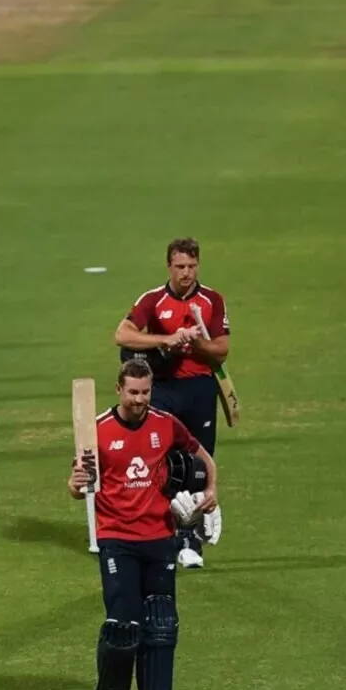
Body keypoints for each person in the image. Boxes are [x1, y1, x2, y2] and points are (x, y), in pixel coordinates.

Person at [68, 358, 218, 690]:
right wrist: (74, 482)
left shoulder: (164, 424)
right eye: (132, 392)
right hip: (116, 536)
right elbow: (77, 486)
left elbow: (202, 456)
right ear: (118, 389)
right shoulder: (98, 431)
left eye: (145, 392)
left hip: (158, 535)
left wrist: (211, 491)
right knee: (123, 625)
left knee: (161, 624)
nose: (139, 399)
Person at [114, 237, 230, 569]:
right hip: (163, 389)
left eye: (192, 267)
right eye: (180, 267)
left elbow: (222, 350)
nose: (186, 273)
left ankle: (190, 542)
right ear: (169, 266)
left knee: (197, 464)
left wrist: (194, 343)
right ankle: (161, 534)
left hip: (199, 388)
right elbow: (123, 334)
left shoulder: (212, 300)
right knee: (160, 462)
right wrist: (166, 339)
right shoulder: (152, 300)